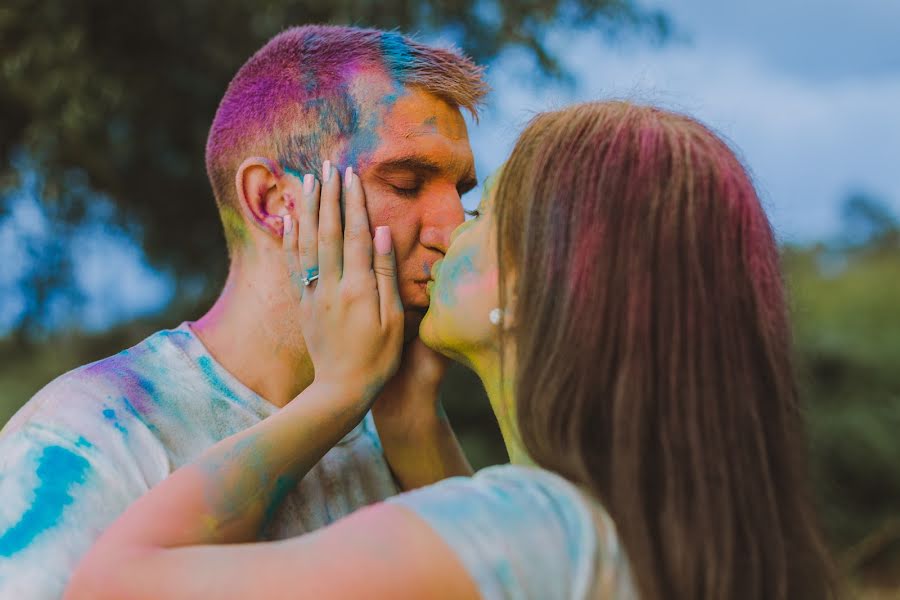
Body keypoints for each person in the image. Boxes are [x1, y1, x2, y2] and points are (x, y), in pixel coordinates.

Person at [66, 101, 838, 600]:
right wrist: (408, 424)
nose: (447, 229)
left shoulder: (531, 528)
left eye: (484, 209)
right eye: (413, 187)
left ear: (546, 281)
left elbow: (112, 583)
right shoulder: (688, 534)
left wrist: (335, 395)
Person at [0, 25, 486, 599]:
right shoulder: (87, 439)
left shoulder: (403, 432)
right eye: (406, 184)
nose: (454, 230)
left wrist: (413, 421)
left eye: (464, 193)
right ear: (273, 202)